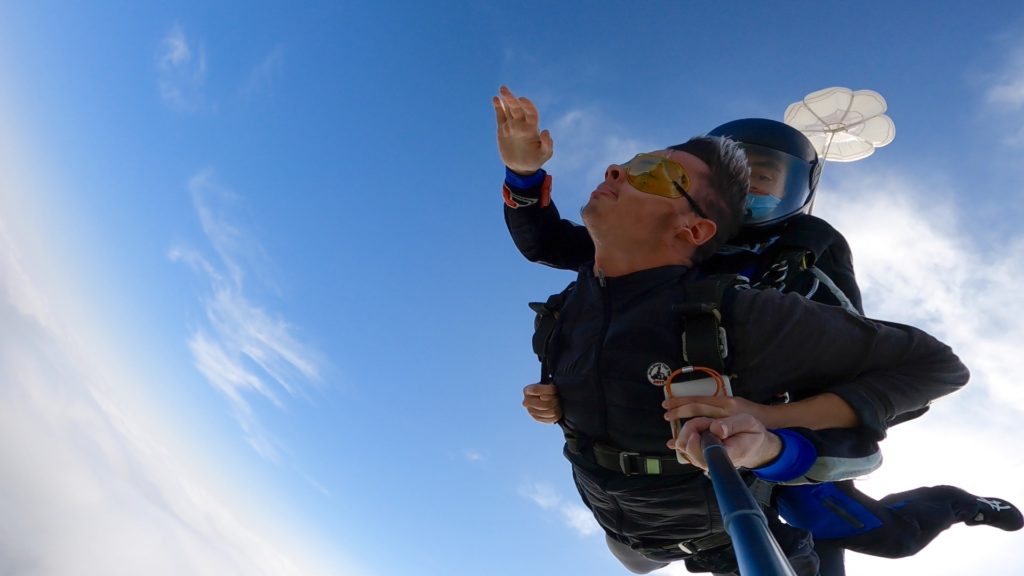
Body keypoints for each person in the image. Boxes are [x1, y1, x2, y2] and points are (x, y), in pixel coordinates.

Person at [493, 87, 1022, 574]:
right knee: (650, 549)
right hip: (669, 475)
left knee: (866, 532)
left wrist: (777, 423)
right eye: (738, 174)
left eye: (764, 179)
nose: (747, 189)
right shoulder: (644, 253)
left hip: (781, 425)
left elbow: (887, 356)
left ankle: (959, 503)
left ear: (795, 194)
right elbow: (550, 246)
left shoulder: (800, 248)